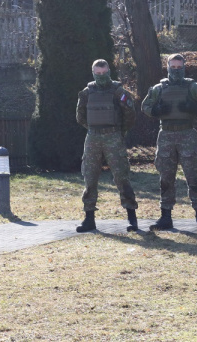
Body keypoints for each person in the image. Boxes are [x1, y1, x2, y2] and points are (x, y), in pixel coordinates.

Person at [142, 53, 197, 231]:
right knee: (166, 178)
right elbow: (145, 106)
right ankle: (165, 217)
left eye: (179, 67)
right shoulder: (158, 89)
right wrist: (156, 110)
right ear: (167, 67)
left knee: (193, 178)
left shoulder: (193, 87)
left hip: (187, 134)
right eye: (173, 67)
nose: (176, 70)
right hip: (166, 135)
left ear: (184, 67)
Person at [75, 59, 138, 233]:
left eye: (104, 73)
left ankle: (132, 218)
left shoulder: (119, 92)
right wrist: (94, 130)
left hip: (113, 138)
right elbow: (80, 117)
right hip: (93, 138)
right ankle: (89, 219)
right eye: (98, 73)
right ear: (93, 73)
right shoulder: (87, 93)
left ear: (109, 71)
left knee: (121, 177)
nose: (101, 76)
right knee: (90, 178)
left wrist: (118, 132)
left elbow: (130, 115)